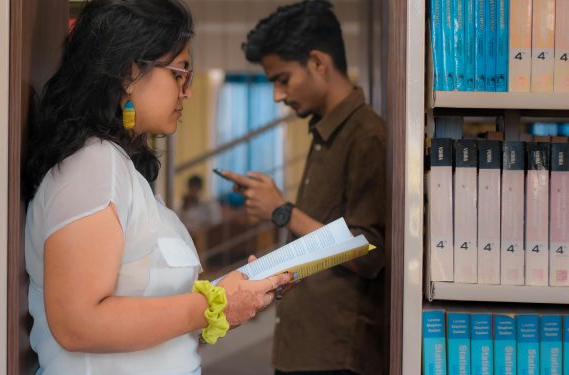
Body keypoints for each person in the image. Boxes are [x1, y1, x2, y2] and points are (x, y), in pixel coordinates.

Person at [21, 1, 292, 374]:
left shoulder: (120, 166)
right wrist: (214, 304)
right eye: (180, 73)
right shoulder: (92, 166)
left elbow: (145, 315)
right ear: (130, 73)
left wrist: (231, 297)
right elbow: (77, 324)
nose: (187, 92)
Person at [221, 1, 387, 374]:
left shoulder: (368, 136)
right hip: (307, 345)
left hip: (335, 355)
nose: (278, 96)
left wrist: (282, 211)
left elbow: (370, 249)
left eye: (283, 79)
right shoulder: (325, 129)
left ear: (317, 63)